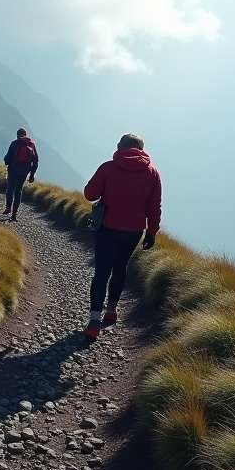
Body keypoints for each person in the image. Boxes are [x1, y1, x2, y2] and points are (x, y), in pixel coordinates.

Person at [81, 133, 162, 340]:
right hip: (133, 231)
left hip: (107, 227)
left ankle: (94, 322)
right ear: (141, 150)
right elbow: (154, 207)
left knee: (101, 272)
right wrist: (151, 232)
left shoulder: (108, 167)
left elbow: (90, 194)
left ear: (120, 146)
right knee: (120, 268)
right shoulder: (152, 173)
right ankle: (112, 310)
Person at [2, 128, 39, 221]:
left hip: (13, 170)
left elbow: (7, 157)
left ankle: (8, 208)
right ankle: (14, 214)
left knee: (10, 188)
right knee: (18, 190)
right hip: (24, 172)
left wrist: (7, 162)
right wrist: (32, 175)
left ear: (17, 135)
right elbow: (36, 161)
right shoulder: (31, 145)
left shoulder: (14, 143)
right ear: (25, 134)